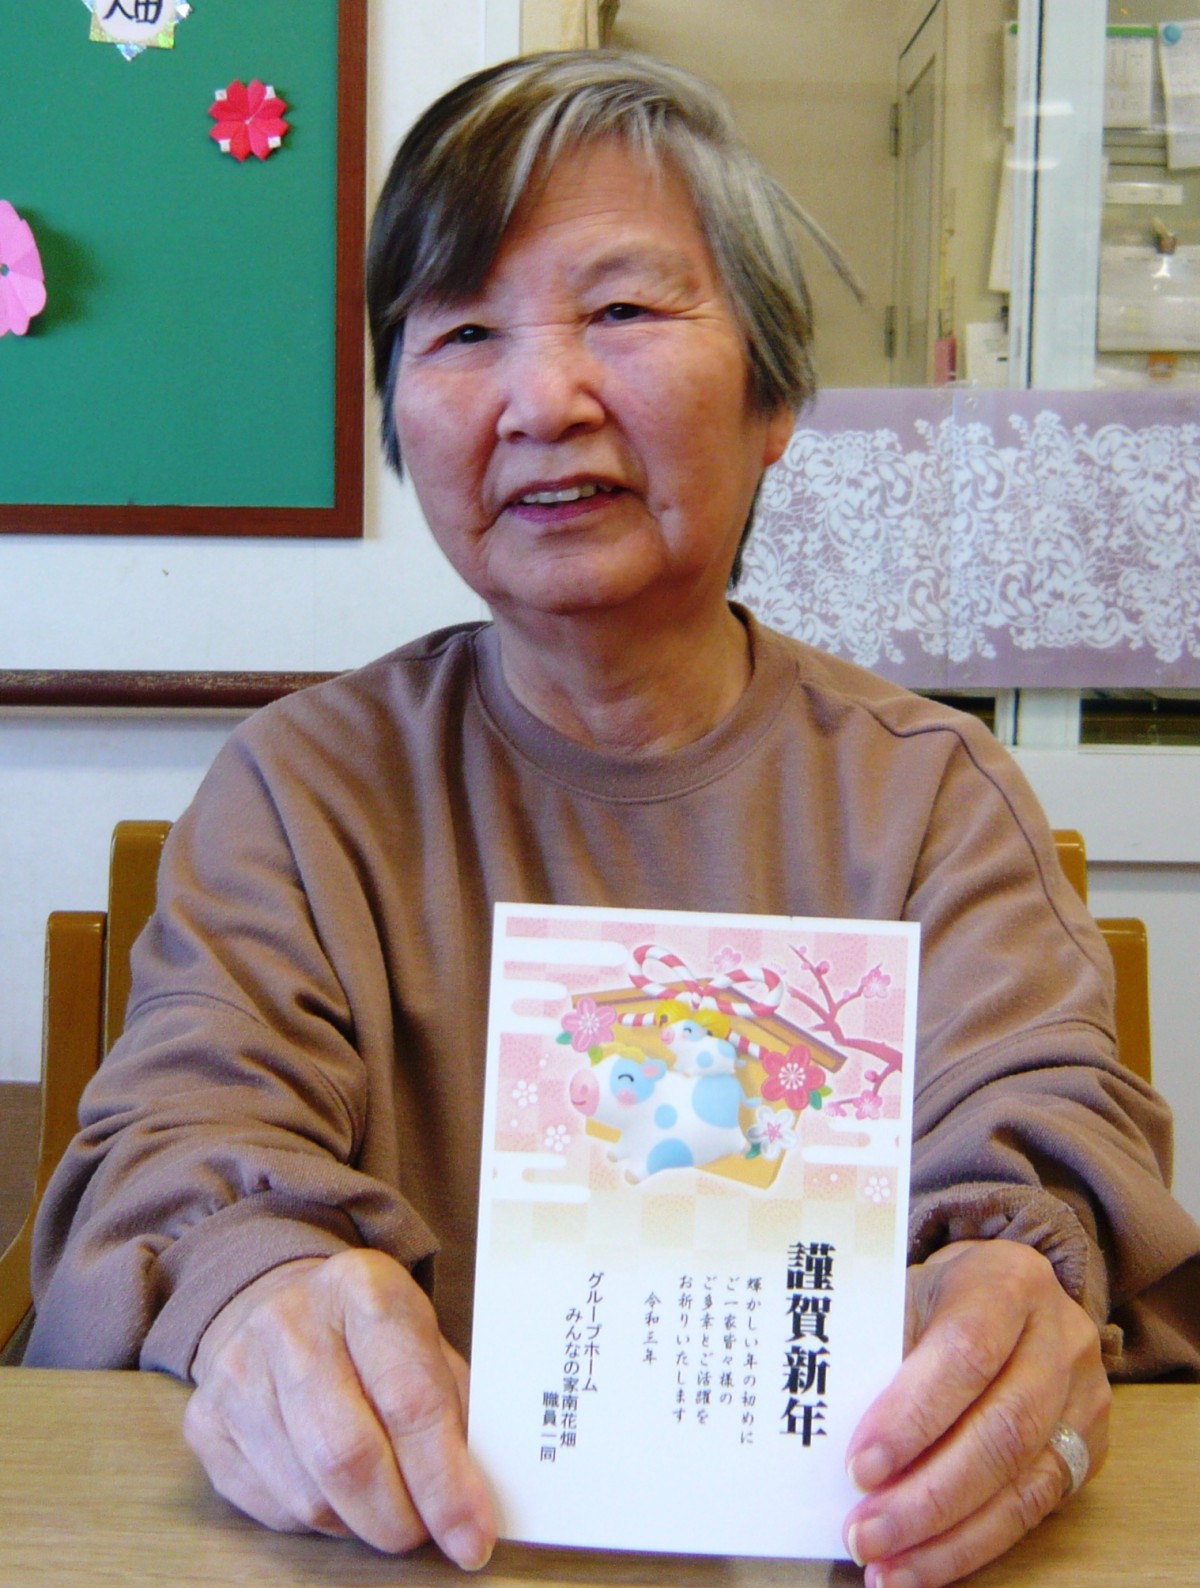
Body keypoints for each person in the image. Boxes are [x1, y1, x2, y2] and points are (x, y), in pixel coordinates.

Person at [27, 49, 1200, 1588]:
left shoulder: (927, 793)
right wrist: (257, 1298)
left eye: (626, 311)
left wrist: (1006, 1301)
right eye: (463, 332)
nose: (543, 401)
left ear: (774, 396)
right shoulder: (304, 788)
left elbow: (1040, 1135)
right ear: (400, 416)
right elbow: (183, 1139)